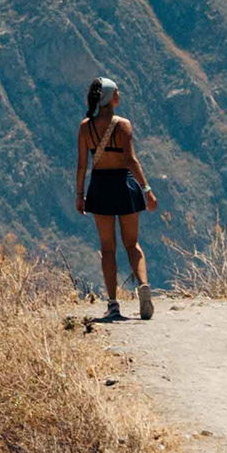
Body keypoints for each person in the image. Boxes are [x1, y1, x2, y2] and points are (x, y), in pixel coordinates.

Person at [76, 74, 157, 321]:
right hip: (125, 185)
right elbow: (131, 160)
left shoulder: (85, 127)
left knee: (108, 248)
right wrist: (147, 190)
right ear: (111, 98)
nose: (120, 95)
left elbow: (82, 165)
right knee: (132, 244)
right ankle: (143, 286)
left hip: (100, 187)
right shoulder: (123, 125)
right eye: (118, 92)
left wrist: (80, 196)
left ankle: (113, 304)